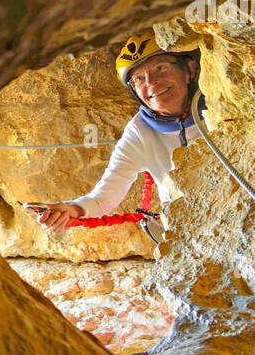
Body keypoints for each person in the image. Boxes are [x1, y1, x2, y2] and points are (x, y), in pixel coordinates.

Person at [34, 33, 208, 236]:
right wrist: (69, 211)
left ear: (190, 70)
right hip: (189, 235)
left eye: (160, 68)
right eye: (139, 78)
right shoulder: (140, 133)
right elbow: (102, 198)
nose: (151, 82)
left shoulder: (222, 105)